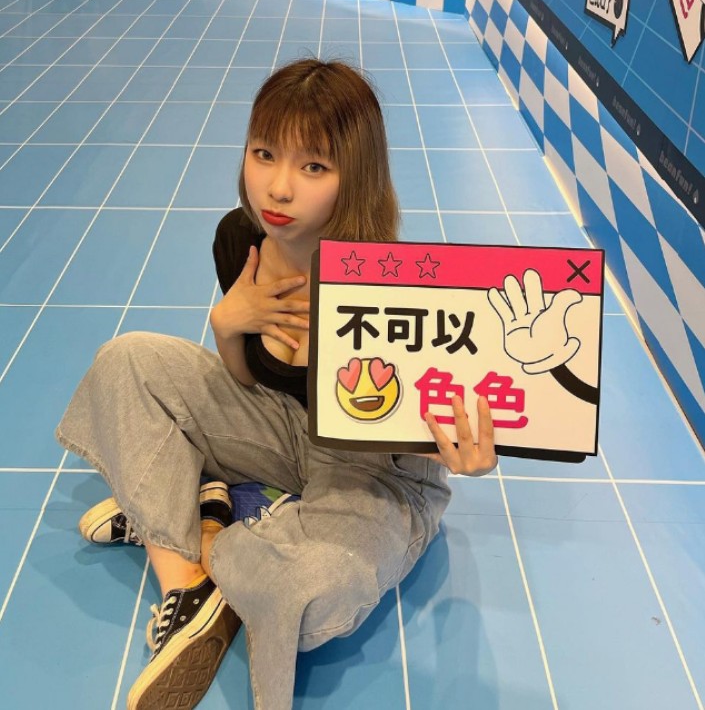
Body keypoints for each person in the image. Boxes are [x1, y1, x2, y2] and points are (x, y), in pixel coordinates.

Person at [55, 58, 498, 710]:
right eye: (264, 153)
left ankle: (193, 515)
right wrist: (228, 325)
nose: (279, 188)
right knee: (126, 361)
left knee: (315, 592)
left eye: (313, 167)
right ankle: (190, 582)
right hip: (278, 429)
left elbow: (422, 430)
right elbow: (247, 383)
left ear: (356, 177)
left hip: (369, 470)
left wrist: (463, 453)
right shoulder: (241, 239)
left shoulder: (391, 286)